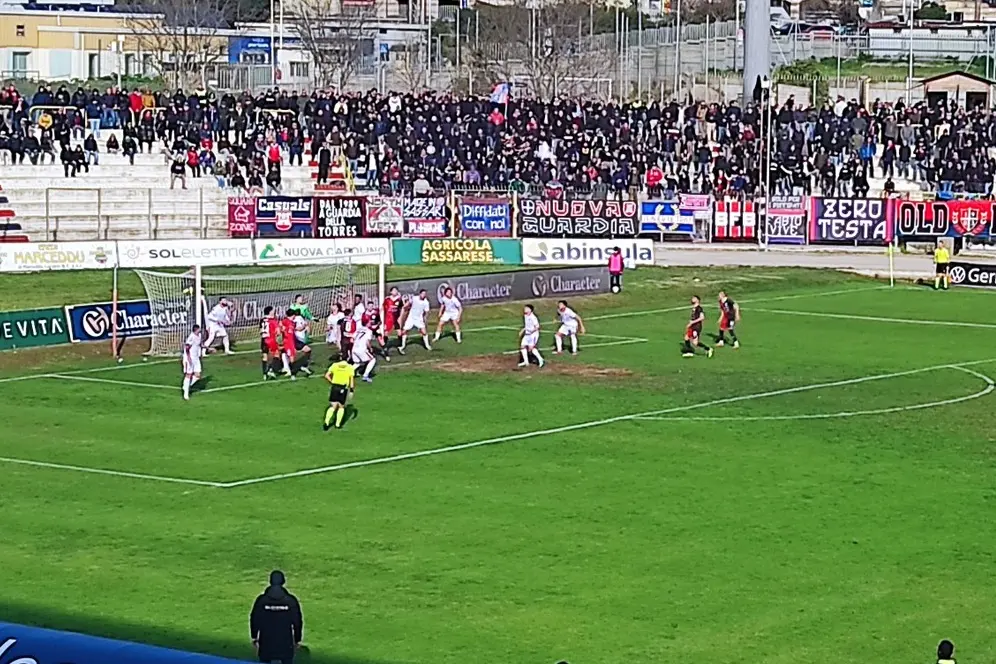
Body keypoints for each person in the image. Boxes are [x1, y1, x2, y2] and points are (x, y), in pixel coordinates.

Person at [249, 570, 303, 663]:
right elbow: (297, 621)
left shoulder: (262, 600)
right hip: (285, 643)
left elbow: (254, 619)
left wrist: (254, 636)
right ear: (283, 581)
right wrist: (297, 639)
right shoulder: (290, 601)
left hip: (266, 642)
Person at [324, 353, 356, 430]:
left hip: (335, 387)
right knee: (341, 406)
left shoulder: (335, 365)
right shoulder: (350, 367)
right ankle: (337, 424)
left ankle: (326, 421)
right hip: (343, 388)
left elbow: (326, 375)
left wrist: (332, 382)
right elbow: (351, 380)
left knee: (333, 406)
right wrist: (351, 390)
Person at [400, 289, 432, 354]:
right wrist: (405, 306)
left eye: (424, 294)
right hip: (411, 318)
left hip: (419, 319)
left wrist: (425, 319)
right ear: (420, 294)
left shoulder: (426, 302)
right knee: (404, 331)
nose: (423, 295)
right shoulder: (414, 298)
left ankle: (427, 345)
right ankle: (402, 346)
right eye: (422, 294)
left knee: (424, 332)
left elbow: (426, 312)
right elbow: (408, 303)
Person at [518, 304, 545, 368]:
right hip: (527, 334)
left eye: (526, 308)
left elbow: (537, 327)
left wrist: (531, 331)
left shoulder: (533, 317)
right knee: (522, 347)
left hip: (533, 335)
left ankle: (540, 359)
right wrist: (522, 330)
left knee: (531, 348)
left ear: (530, 310)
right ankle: (526, 362)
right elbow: (527, 325)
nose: (525, 309)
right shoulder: (525, 316)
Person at [182, 324, 203, 401]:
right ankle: (186, 394)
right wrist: (188, 358)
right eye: (199, 329)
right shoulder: (191, 337)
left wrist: (208, 348)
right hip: (190, 358)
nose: (200, 330)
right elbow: (187, 348)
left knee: (197, 375)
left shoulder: (199, 335)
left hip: (196, 358)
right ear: (196, 330)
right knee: (189, 374)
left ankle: (186, 386)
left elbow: (200, 344)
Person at [290, 309, 313, 377]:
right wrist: (304, 328)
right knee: (305, 351)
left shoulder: (294, 319)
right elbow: (301, 328)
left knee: (303, 351)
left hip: (297, 338)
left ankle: (301, 365)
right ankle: (298, 367)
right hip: (298, 338)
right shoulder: (298, 319)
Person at [260, 306, 280, 380]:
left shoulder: (262, 320)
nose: (274, 312)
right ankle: (271, 370)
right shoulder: (273, 320)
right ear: (270, 312)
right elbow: (278, 332)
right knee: (277, 354)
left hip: (263, 339)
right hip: (271, 339)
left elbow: (260, 330)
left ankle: (264, 374)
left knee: (265, 356)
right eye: (273, 311)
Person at [280, 311, 298, 377]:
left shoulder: (292, 323)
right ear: (292, 315)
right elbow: (280, 324)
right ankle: (292, 373)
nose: (295, 316)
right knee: (291, 357)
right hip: (288, 342)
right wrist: (282, 329)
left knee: (286, 354)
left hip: (291, 342)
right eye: (294, 315)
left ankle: (287, 368)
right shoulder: (285, 321)